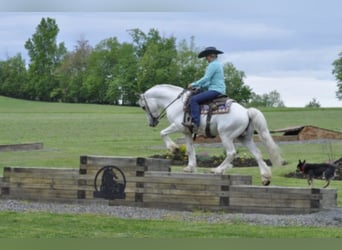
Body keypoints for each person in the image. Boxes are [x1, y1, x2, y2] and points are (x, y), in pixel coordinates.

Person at [183, 46, 226, 133]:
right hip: (217, 89)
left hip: (215, 90)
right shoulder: (217, 64)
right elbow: (208, 82)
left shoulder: (213, 65)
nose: (206, 59)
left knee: (193, 100)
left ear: (210, 56)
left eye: (207, 56)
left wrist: (193, 84)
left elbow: (206, 78)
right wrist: (200, 87)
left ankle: (196, 124)